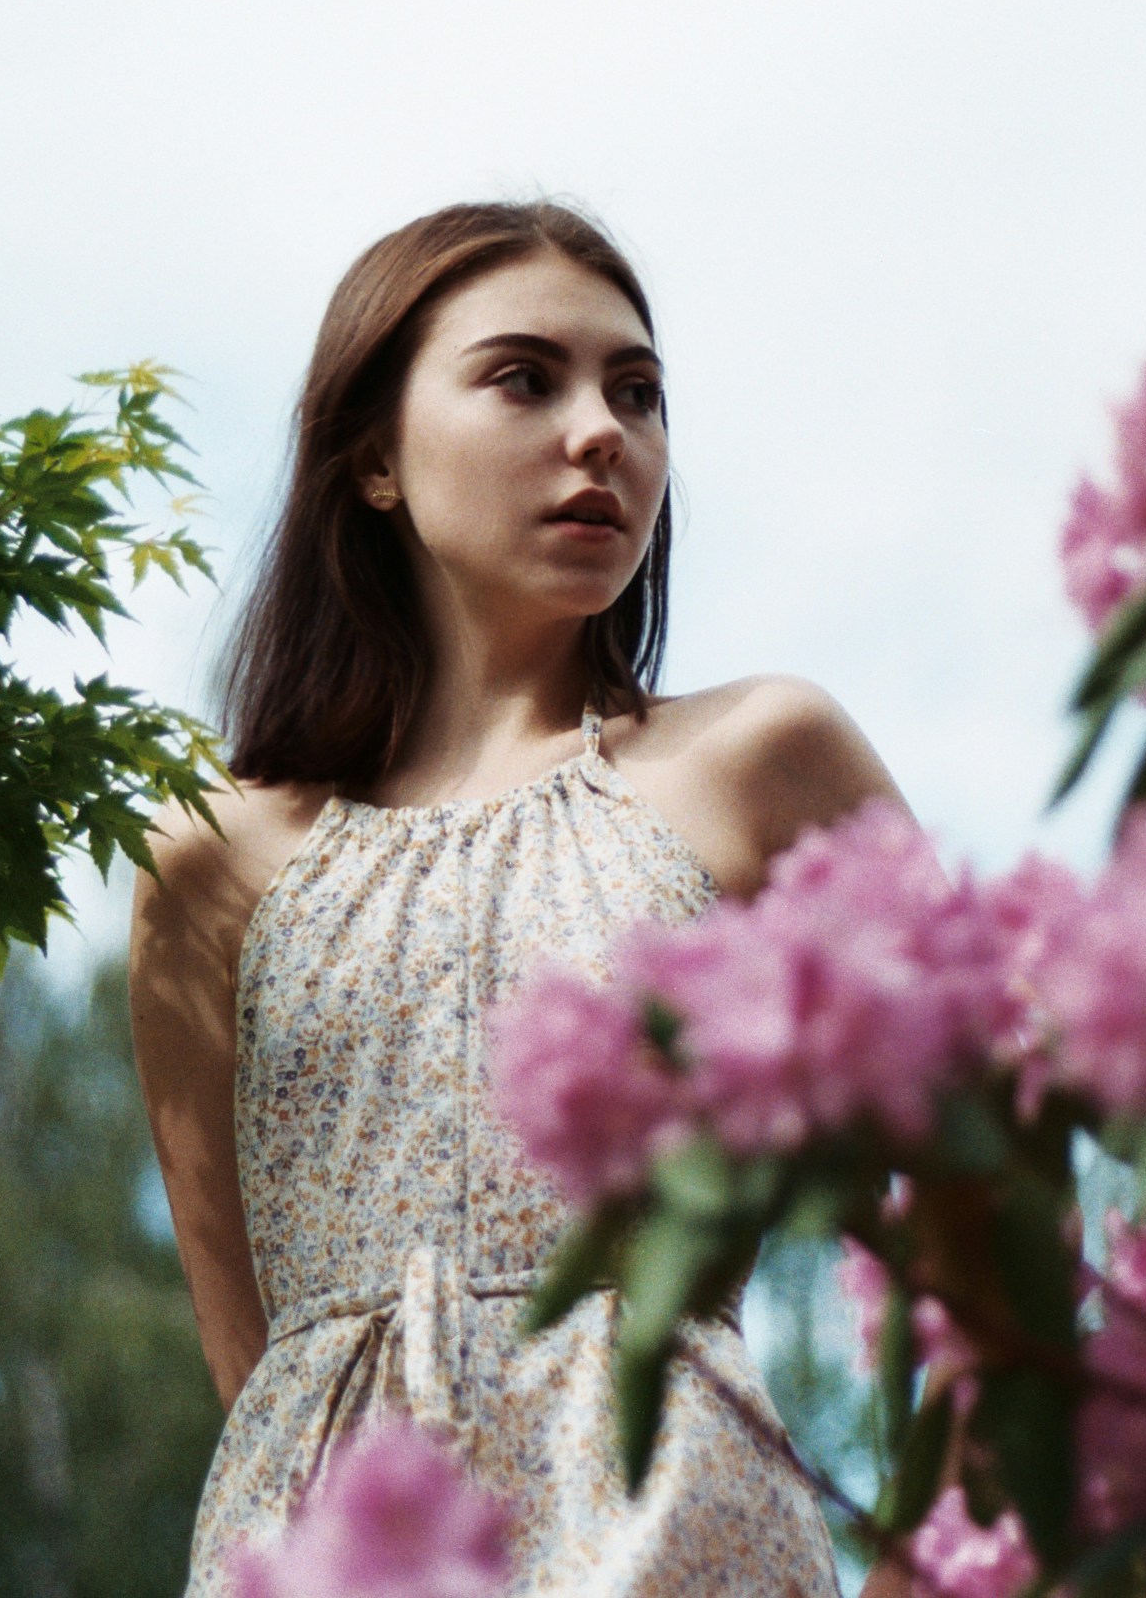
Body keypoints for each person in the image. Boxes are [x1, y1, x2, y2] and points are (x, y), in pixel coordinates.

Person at [129, 200, 909, 1596]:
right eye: (521, 378)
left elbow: (989, 1204)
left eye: (637, 391)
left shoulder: (759, 763)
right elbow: (256, 1359)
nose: (601, 431)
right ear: (371, 454)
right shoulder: (208, 865)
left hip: (680, 1536)